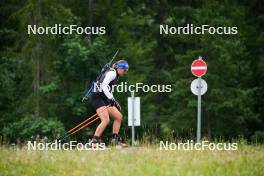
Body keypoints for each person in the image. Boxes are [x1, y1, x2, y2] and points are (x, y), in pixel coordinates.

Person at [89, 60, 129, 147]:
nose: (125, 72)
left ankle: (114, 140)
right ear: (119, 68)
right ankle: (94, 142)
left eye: (126, 70)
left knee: (118, 117)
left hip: (104, 97)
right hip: (97, 97)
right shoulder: (112, 73)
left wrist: (114, 101)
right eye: (124, 70)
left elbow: (109, 90)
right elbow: (104, 85)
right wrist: (111, 99)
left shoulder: (114, 74)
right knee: (106, 120)